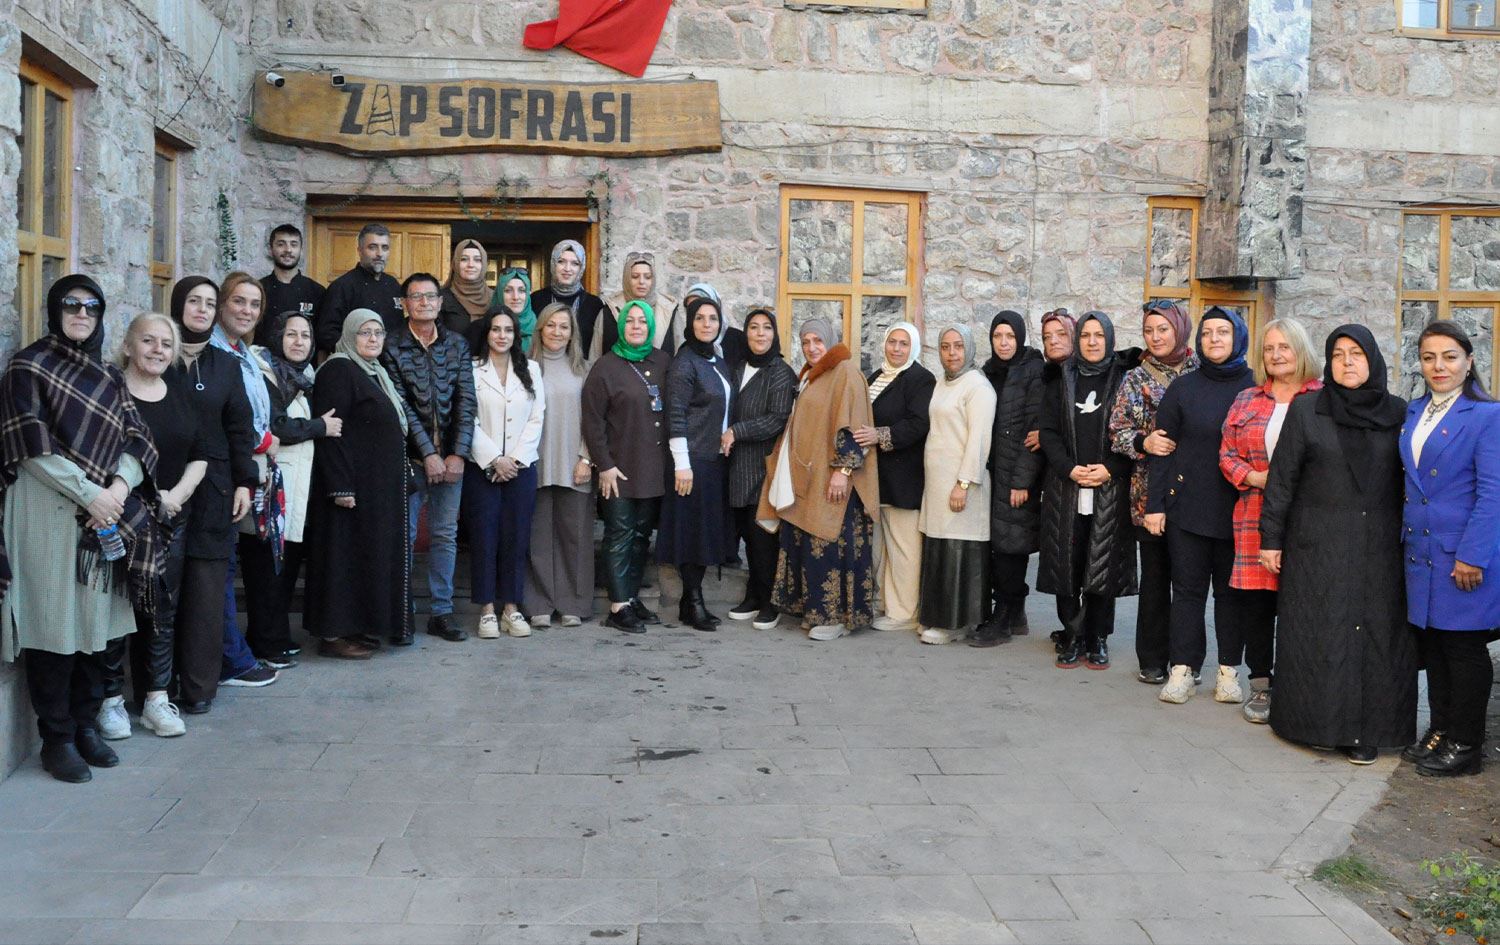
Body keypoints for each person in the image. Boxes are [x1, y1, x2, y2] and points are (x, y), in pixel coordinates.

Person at [0, 276, 163, 782]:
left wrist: (119, 487)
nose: (81, 314)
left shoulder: (108, 375)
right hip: (46, 509)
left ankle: (87, 726)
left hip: (103, 515)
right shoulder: (27, 367)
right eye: (71, 305)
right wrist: (91, 493)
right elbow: (29, 447)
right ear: (55, 310)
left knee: (99, 626)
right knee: (52, 625)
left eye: (92, 307)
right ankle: (57, 738)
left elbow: (138, 437)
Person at [1259, 324, 1415, 765]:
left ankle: (1367, 732)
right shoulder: (1307, 409)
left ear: (1373, 360)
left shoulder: (1398, 412)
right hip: (1317, 542)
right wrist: (1271, 539)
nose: (1348, 362)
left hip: (1380, 544)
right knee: (1319, 631)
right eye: (1339, 354)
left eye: (1357, 354)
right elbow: (1282, 479)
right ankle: (1313, 725)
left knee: (1374, 635)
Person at [1399, 320, 1500, 777]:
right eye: (1429, 357)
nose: (1439, 366)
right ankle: (1440, 730)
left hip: (1463, 555)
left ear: (1469, 361)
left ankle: (1466, 744)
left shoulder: (1487, 415)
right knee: (1436, 648)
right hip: (1421, 551)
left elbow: (1493, 493)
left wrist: (1472, 555)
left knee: (1463, 650)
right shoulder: (1415, 410)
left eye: (1449, 357)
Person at [98, 313, 205, 740]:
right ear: (128, 346)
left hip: (169, 519)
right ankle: (110, 702)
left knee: (161, 610)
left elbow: (202, 453)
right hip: (116, 519)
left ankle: (156, 701)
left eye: (166, 343)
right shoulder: (108, 394)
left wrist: (175, 496)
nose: (157, 349)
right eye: (148, 340)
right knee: (112, 608)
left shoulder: (180, 394)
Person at [1144, 307, 1257, 705]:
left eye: (1222, 332)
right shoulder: (1183, 388)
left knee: (1230, 596)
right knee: (1187, 592)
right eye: (1207, 333)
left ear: (1238, 337)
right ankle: (1182, 669)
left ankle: (1228, 672)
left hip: (1238, 511)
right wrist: (1155, 506)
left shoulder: (1255, 388)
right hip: (1187, 510)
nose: (1214, 339)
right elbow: (1162, 449)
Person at [168, 277, 268, 714]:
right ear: (178, 304)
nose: (202, 310)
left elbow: (239, 429)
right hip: (165, 488)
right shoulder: (160, 355)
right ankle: (157, 687)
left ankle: (198, 688)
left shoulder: (226, 365)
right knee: (163, 589)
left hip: (216, 491)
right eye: (195, 301)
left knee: (207, 593)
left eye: (209, 304)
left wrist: (245, 482)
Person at [1218, 318, 1322, 723]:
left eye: (1285, 347)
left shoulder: (1323, 399)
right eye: (1269, 348)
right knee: (1258, 609)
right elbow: (1226, 452)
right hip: (1253, 517)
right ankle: (1261, 685)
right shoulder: (1247, 398)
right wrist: (1254, 477)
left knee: (1301, 606)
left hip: (1306, 518)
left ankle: (1298, 688)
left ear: (1301, 351)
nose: (1276, 355)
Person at [759, 318, 879, 641]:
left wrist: (843, 471)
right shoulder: (813, 375)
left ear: (830, 340)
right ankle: (815, 612)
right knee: (812, 546)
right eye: (805, 342)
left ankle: (837, 618)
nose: (812, 347)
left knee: (832, 546)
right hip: (812, 478)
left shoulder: (845, 372)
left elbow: (854, 424)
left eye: (818, 340)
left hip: (837, 480)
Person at [305, 310, 413, 657]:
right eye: (365, 332)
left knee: (362, 559)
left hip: (374, 487)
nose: (373, 339)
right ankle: (333, 636)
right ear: (350, 335)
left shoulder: (373, 371)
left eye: (378, 332)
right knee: (341, 559)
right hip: (350, 489)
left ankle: (354, 628)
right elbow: (331, 431)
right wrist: (340, 487)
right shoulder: (338, 370)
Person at [240, 311, 344, 664]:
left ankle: (275, 637)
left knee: (283, 571)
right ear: (276, 336)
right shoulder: (263, 374)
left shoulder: (306, 376)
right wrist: (318, 427)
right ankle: (265, 645)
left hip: (297, 490)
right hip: (270, 488)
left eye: (305, 335)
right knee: (265, 572)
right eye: (291, 334)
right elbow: (275, 425)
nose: (299, 342)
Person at [1037, 312, 1139, 669]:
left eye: (1099, 335)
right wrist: (1069, 468)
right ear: (1077, 339)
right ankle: (1072, 634)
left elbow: (1132, 430)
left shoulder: (1124, 379)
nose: (1092, 342)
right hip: (1066, 486)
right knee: (1067, 563)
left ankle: (1097, 636)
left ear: (1109, 339)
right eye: (1085, 335)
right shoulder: (1062, 378)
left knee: (1102, 565)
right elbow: (1048, 432)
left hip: (1107, 485)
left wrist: (1110, 468)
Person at [381, 272, 476, 643]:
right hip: (408, 459)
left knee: (444, 536)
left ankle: (441, 612)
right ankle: (401, 613)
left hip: (451, 459)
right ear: (405, 303)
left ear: (440, 302)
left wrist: (458, 453)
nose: (424, 302)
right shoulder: (391, 345)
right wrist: (428, 453)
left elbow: (466, 401)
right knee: (402, 536)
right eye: (416, 296)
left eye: (430, 296)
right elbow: (400, 405)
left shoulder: (457, 344)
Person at [1108, 300, 1198, 684]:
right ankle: (1153, 659)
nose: (1156, 337)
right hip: (1150, 494)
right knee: (1156, 580)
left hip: (1195, 493)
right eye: (1149, 330)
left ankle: (1187, 659)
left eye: (1163, 329)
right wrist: (1144, 442)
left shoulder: (1202, 372)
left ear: (1179, 329)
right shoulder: (1135, 378)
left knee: (1190, 582)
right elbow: (1117, 431)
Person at [212, 272, 288, 686]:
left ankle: (234, 653)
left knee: (234, 564)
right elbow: (229, 417)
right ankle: (231, 660)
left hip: (248, 471)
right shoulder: (214, 352)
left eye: (254, 304)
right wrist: (265, 440)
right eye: (239, 301)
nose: (247, 310)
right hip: (225, 471)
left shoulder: (246, 353)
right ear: (222, 304)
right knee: (222, 567)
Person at [582, 301, 672, 633]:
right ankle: (618, 606)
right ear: (621, 326)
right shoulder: (605, 367)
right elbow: (592, 422)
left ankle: (631, 597)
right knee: (619, 534)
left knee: (640, 536)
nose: (636, 326)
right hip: (617, 469)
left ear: (650, 327)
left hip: (653, 467)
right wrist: (604, 465)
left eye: (642, 321)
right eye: (630, 321)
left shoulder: (662, 362)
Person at [657, 296, 736, 632]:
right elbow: (675, 413)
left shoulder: (717, 360)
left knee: (704, 534)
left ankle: (691, 602)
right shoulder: (685, 362)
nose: (707, 324)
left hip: (713, 460)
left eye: (712, 318)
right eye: (700, 318)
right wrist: (682, 464)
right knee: (691, 536)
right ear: (690, 323)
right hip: (691, 462)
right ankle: (693, 601)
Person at [466, 308, 545, 639]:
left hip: (520, 468)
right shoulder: (471, 369)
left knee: (516, 537)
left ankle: (511, 608)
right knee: (484, 537)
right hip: (482, 468)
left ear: (516, 335)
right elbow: (466, 418)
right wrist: (493, 459)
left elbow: (537, 417)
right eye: (496, 329)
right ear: (486, 333)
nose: (502, 336)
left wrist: (513, 459)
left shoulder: (532, 369)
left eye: (508, 330)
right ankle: (486, 610)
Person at [917, 325, 997, 645]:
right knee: (940, 551)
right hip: (937, 483)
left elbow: (979, 440)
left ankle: (956, 624)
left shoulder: (978, 387)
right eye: (946, 347)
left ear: (970, 349)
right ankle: (936, 616)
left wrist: (963, 484)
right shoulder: (943, 382)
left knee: (958, 554)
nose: (952, 353)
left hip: (963, 484)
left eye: (959, 346)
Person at [855, 322, 933, 634]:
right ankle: (885, 604)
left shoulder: (920, 379)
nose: (896, 348)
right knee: (881, 548)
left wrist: (880, 435)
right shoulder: (877, 375)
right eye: (892, 342)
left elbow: (919, 423)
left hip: (905, 478)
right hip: (878, 478)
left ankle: (905, 612)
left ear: (913, 347)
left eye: (903, 343)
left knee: (904, 549)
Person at [723, 308, 797, 630]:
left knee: (763, 538)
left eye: (767, 327)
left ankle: (770, 602)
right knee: (749, 537)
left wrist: (737, 431)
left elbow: (777, 419)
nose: (760, 333)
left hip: (764, 467)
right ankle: (754, 596)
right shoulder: (738, 367)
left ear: (775, 334)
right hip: (736, 467)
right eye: (754, 327)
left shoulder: (780, 371)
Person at [976, 310, 1045, 647]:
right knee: (998, 546)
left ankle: (1002, 618)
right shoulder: (988, 372)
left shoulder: (1032, 370)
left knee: (1010, 548)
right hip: (991, 473)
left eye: (1010, 337)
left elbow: (1034, 430)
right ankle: (1015, 615)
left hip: (1015, 476)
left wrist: (1022, 481)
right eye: (997, 336)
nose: (1003, 343)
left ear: (1020, 338)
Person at [525, 302, 595, 628]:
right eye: (551, 325)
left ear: (572, 333)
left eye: (564, 326)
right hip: (535, 462)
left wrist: (586, 457)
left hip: (575, 463)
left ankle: (572, 603)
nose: (557, 332)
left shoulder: (584, 369)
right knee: (537, 537)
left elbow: (595, 419)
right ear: (540, 329)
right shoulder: (526, 368)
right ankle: (539, 602)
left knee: (575, 537)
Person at [317, 223, 403, 353]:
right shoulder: (342, 286)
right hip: (354, 362)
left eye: (384, 248)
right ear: (359, 250)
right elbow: (326, 333)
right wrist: (357, 354)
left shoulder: (393, 285)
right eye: (372, 247)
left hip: (393, 362)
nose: (380, 254)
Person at [593, 252, 681, 359]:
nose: (642, 282)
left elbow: (680, 354)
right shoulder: (609, 311)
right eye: (635, 276)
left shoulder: (669, 310)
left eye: (647, 277)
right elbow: (595, 356)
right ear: (626, 278)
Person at [531, 239, 608, 355]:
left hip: (582, 365)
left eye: (575, 263)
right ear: (553, 264)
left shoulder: (594, 305)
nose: (567, 269)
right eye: (561, 261)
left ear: (581, 268)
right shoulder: (536, 299)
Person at [257, 224, 324, 347]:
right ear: (271, 249)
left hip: (304, 358)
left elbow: (321, 339)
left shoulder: (317, 291)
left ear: (301, 250)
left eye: (294, 244)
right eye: (281, 244)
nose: (288, 250)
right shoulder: (258, 289)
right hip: (263, 358)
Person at [683, 282, 748, 368]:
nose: (695, 310)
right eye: (691, 307)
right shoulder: (686, 350)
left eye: (701, 304)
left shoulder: (739, 340)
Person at [439, 238, 496, 336]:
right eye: (464, 259)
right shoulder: (441, 298)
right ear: (455, 264)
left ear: (484, 264)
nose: (471, 265)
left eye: (477, 260)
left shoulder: (495, 298)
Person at [490, 267, 539, 353]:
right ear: (499, 294)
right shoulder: (484, 328)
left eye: (522, 291)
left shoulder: (541, 329)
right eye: (508, 290)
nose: (516, 297)